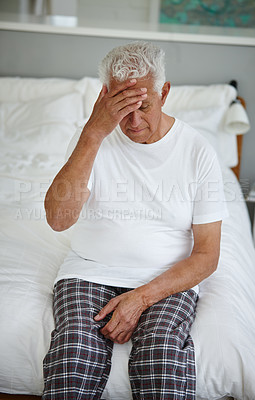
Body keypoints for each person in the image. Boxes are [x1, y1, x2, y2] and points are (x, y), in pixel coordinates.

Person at [42, 41, 227, 400]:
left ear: (165, 92)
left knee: (161, 352)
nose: (134, 122)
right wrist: (94, 132)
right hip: (89, 271)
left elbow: (208, 255)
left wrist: (140, 298)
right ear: (105, 97)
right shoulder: (91, 139)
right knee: (73, 350)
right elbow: (58, 221)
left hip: (165, 277)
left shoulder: (197, 150)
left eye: (144, 106)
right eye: (123, 108)